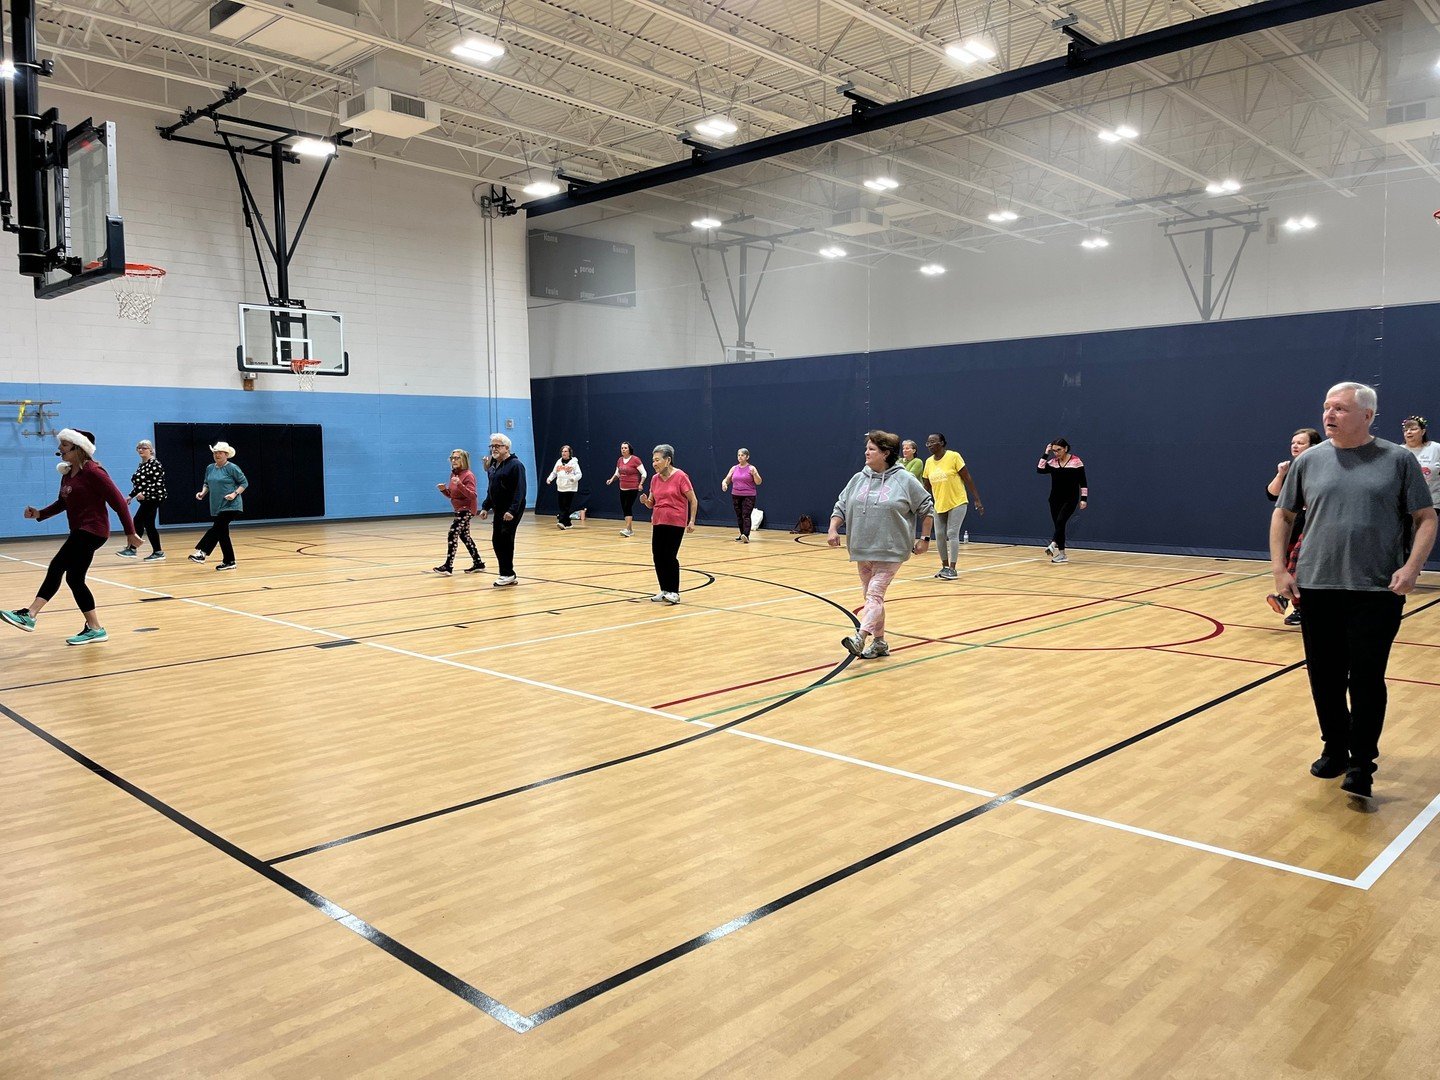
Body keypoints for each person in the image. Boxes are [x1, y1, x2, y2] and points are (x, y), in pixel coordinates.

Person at [1271, 382, 1436, 801]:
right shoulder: (1309, 460)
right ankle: (1335, 747)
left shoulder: (1397, 460)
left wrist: (1412, 567)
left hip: (1376, 590)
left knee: (1365, 678)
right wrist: (1279, 570)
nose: (1329, 415)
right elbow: (1283, 515)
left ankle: (1362, 761)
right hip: (1316, 586)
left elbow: (1426, 518)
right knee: (1324, 676)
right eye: (1327, 407)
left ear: (1367, 415)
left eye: (1340, 408)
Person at [1, 429, 142, 646]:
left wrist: (130, 532)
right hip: (80, 530)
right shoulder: (67, 474)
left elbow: (119, 502)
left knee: (57, 565)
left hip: (93, 530)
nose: (59, 449)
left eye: (64, 445)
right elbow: (62, 503)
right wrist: (40, 514)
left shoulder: (95, 472)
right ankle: (95, 628)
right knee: (74, 579)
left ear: (79, 448)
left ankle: (30, 614)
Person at [828, 430, 934, 660]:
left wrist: (924, 539)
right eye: (866, 448)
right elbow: (842, 505)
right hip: (862, 549)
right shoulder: (858, 479)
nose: (866, 452)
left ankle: (860, 637)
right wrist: (833, 528)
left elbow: (926, 507)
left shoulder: (905, 479)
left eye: (872, 449)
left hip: (891, 549)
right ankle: (879, 642)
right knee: (871, 598)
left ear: (886, 453)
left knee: (874, 595)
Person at [1265, 427, 1322, 626]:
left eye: (1300, 442)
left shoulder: (1321, 467)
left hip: (1315, 524)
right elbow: (1272, 494)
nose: (1295, 446)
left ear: (1313, 446)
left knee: (1300, 567)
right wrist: (1281, 474)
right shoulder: (1293, 469)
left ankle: (1295, 603)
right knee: (1291, 563)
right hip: (1297, 523)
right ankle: (1295, 605)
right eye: (1293, 443)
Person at [639, 444, 697, 604]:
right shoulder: (655, 479)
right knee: (657, 555)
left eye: (657, 460)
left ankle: (674, 592)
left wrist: (691, 521)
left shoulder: (680, 476)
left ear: (668, 460)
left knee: (669, 556)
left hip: (675, 521)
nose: (654, 463)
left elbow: (693, 500)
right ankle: (664, 589)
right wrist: (645, 501)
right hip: (658, 520)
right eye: (653, 460)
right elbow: (652, 503)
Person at [921, 433, 984, 580]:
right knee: (940, 536)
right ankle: (944, 566)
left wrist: (976, 499)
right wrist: (920, 502)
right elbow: (926, 486)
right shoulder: (929, 462)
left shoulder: (953, 456)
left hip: (958, 501)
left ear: (942, 443)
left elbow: (967, 477)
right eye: (928, 443)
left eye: (933, 442)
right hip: (939, 504)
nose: (929, 445)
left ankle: (953, 569)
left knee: (952, 533)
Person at [190, 441, 248, 571]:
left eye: (220, 453)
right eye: (215, 453)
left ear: (226, 454)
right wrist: (202, 493)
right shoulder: (210, 468)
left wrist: (234, 494)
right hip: (217, 505)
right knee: (222, 533)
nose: (217, 455)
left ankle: (202, 552)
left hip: (231, 505)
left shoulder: (232, 468)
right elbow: (207, 483)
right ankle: (229, 561)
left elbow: (244, 483)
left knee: (217, 528)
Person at [479, 433, 525, 587]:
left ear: (506, 448)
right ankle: (506, 573)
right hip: (498, 509)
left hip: (511, 509)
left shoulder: (516, 465)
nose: (493, 449)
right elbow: (491, 489)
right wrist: (485, 506)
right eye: (492, 446)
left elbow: (520, 491)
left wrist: (512, 511)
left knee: (505, 538)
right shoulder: (494, 466)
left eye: (497, 446)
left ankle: (507, 574)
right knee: (497, 540)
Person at [433, 449, 485, 576]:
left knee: (452, 533)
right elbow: (453, 495)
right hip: (458, 509)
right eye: (452, 458)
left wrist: (460, 484)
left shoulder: (468, 475)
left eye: (456, 458)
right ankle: (478, 563)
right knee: (464, 536)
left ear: (464, 460)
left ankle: (448, 566)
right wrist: (443, 490)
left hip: (467, 509)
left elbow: (473, 495)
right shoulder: (454, 475)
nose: (453, 460)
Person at [1037, 438, 1087, 563]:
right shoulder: (1053, 462)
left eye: (1058, 450)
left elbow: (1083, 482)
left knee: (1060, 521)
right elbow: (1039, 469)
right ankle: (1062, 554)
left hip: (1070, 499)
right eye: (1054, 451)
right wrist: (1046, 452)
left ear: (1065, 448)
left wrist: (1084, 499)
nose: (1056, 453)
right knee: (1059, 526)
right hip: (1054, 499)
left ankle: (1053, 544)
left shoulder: (1076, 462)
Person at [118, 438, 168, 561]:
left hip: (154, 497)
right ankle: (158, 552)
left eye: (144, 448)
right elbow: (140, 484)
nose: (141, 450)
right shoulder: (143, 465)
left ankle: (132, 548)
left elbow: (158, 483)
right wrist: (131, 496)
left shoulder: (154, 463)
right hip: (147, 498)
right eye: (139, 448)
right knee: (149, 525)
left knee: (138, 520)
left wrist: (145, 493)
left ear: (151, 450)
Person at [720, 448, 763, 543]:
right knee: (739, 515)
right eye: (739, 455)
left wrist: (755, 474)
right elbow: (727, 479)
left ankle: (746, 535)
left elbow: (758, 482)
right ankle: (742, 533)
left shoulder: (751, 468)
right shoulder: (734, 468)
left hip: (749, 495)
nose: (740, 457)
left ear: (747, 457)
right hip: (736, 495)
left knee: (746, 515)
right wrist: (724, 483)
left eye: (742, 455)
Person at [605, 441, 647, 537]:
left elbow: (644, 473)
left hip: (633, 487)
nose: (623, 450)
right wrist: (611, 480)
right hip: (622, 487)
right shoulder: (620, 460)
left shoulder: (635, 460)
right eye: (622, 448)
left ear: (629, 449)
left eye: (625, 448)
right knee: (625, 508)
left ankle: (628, 529)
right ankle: (630, 530)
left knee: (628, 506)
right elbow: (617, 473)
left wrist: (641, 484)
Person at [1401, 415, 1440, 511]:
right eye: (1406, 430)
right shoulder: (1399, 451)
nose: (1409, 432)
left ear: (1423, 431)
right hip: (1406, 505)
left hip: (1432, 503)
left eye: (1413, 429)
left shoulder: (1436, 448)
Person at [546, 446, 583, 529]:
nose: (564, 453)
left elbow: (579, 474)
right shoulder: (558, 462)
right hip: (560, 487)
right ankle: (568, 523)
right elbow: (554, 472)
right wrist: (549, 479)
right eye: (562, 451)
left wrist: (573, 479)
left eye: (566, 451)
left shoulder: (574, 463)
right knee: (562, 506)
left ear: (569, 453)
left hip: (570, 488)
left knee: (566, 506)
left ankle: (561, 521)